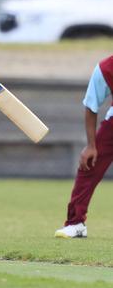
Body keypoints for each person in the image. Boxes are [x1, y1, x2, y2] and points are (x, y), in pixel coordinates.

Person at [55, 56, 113, 238]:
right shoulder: (106, 68)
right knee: (89, 165)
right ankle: (76, 223)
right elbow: (91, 105)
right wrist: (91, 146)